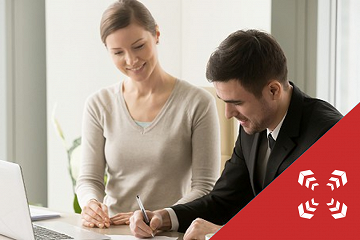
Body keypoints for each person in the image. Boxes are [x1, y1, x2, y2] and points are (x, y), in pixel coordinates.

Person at [129, 29, 343, 239]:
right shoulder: (254, 124)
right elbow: (224, 200)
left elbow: (316, 226)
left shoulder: (329, 135)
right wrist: (165, 216)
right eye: (224, 102)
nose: (228, 114)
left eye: (237, 103)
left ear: (273, 91)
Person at [75, 0, 221, 229]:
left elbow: (205, 186)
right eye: (118, 52)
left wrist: (160, 217)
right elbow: (89, 180)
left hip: (169, 231)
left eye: (139, 46)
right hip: (111, 231)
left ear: (156, 34)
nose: (131, 60)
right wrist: (91, 204)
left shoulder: (198, 103)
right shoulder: (98, 104)